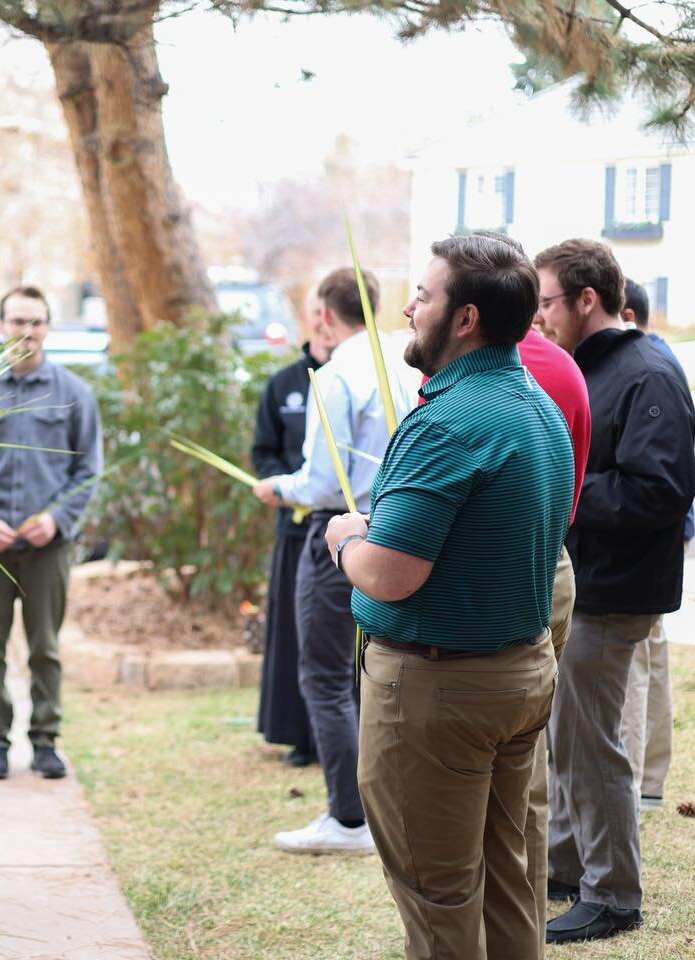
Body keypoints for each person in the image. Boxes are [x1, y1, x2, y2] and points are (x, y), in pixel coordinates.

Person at [326, 234, 574, 960]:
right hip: (519, 677)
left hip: (439, 692)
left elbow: (393, 574)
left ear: (464, 319)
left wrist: (346, 538)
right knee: (510, 879)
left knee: (438, 893)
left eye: (424, 296)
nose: (406, 307)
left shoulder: (447, 423)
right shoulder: (537, 406)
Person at [535, 240, 695, 945]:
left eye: (544, 302)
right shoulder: (591, 366)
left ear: (587, 300)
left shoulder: (647, 373)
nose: (536, 317)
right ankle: (570, 865)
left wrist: (558, 490)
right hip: (586, 584)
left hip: (616, 590)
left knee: (593, 745)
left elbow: (659, 491)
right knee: (569, 737)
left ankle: (613, 897)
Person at [252, 267, 410, 856]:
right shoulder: (402, 363)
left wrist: (277, 489)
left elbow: (321, 482)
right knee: (384, 674)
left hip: (342, 537)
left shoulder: (337, 376)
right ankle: (385, 806)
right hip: (401, 530)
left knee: (323, 675)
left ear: (323, 316)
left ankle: (349, 819)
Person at [0, 285, 103, 780]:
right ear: (0, 327)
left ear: (48, 328)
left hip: (48, 548)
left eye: (35, 322)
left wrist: (57, 520)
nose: (26, 331)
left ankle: (45, 740)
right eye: (17, 321)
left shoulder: (74, 395)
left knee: (45, 648)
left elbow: (89, 471)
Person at [250, 283, 336, 767]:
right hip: (295, 530)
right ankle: (299, 737)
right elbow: (263, 451)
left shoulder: (354, 378)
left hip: (343, 532)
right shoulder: (284, 384)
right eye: (314, 311)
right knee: (294, 633)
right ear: (308, 318)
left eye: (329, 311)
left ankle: (340, 734)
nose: (322, 320)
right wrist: (277, 486)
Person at [619, 277, 693, 813]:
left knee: (636, 664)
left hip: (650, 534)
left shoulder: (647, 368)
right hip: (670, 531)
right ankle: (650, 779)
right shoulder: (661, 358)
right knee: (653, 653)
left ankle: (636, 783)